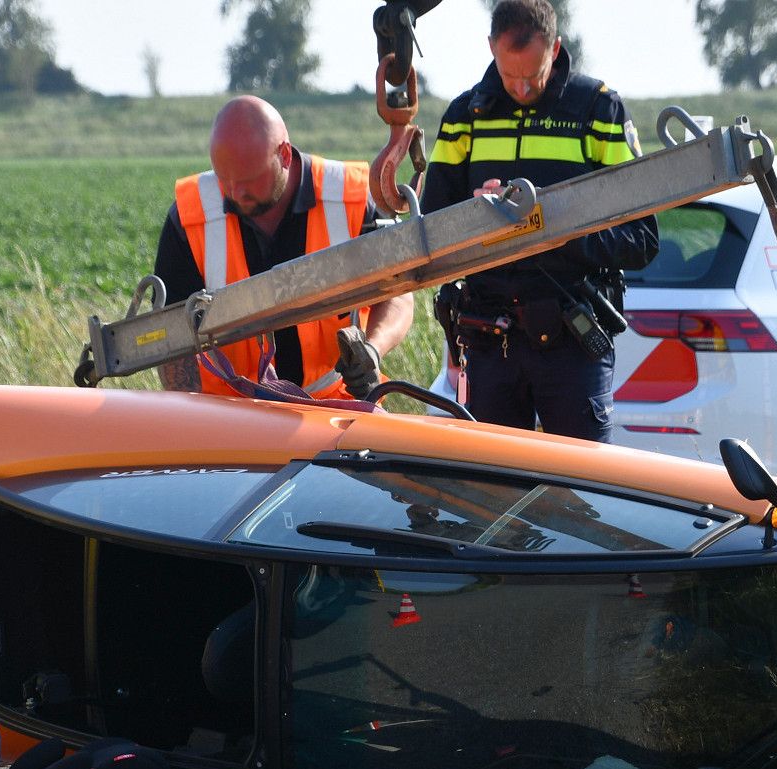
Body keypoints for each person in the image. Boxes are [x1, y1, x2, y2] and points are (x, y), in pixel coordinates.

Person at [420, 0, 657, 442]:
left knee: (584, 496)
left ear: (556, 47)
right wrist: (476, 216)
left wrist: (553, 230)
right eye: (511, 76)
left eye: (534, 75)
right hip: (490, 341)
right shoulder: (462, 118)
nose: (523, 89)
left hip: (572, 343)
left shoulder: (598, 110)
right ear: (491, 48)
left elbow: (641, 239)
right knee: (491, 498)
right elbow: (432, 233)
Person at [150, 96, 413, 398]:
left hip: (334, 404)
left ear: (284, 155)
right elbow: (172, 341)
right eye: (225, 179)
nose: (236, 193)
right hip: (228, 414)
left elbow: (399, 293)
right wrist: (193, 417)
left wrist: (373, 350)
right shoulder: (190, 217)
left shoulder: (348, 200)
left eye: (249, 180)